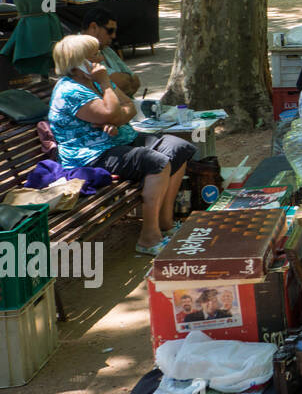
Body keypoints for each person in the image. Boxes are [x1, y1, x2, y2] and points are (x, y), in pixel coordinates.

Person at [47, 34, 195, 255]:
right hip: (92, 155)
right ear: (78, 64)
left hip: (119, 140)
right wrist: (108, 91)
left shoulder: (94, 80)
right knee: (156, 162)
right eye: (94, 55)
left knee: (178, 148)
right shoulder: (71, 90)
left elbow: (129, 107)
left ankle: (166, 222)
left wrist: (116, 117)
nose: (101, 57)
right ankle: (149, 238)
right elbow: (112, 113)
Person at [81, 8, 140, 96]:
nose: (113, 36)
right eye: (110, 31)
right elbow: (120, 83)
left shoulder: (106, 48)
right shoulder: (79, 50)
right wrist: (124, 81)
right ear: (93, 27)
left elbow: (136, 81)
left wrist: (122, 83)